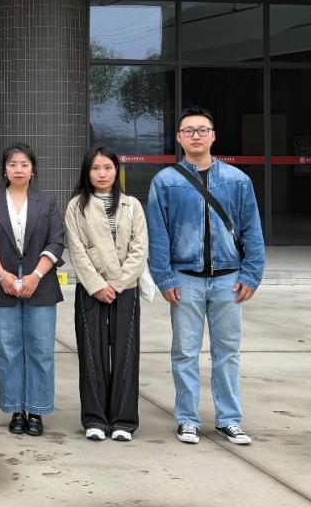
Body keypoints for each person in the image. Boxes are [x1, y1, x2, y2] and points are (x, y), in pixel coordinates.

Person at [147, 106, 266, 446]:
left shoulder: (238, 180)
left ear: (213, 136)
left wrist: (252, 274)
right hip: (184, 278)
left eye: (202, 130)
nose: (196, 135)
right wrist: (164, 277)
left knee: (227, 353)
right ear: (179, 138)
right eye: (189, 130)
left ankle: (229, 419)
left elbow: (252, 230)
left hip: (230, 279)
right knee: (185, 352)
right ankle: (187, 419)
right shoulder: (165, 182)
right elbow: (158, 235)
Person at [0, 142, 65, 437]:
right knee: (8, 350)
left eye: (24, 164)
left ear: (33, 169)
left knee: (41, 350)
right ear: (5, 169)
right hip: (2, 285)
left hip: (41, 285)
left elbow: (56, 241)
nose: (18, 170)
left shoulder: (47, 200)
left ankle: (37, 410)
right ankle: (15, 408)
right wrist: (2, 276)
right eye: (12, 164)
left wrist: (36, 275)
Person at [65, 145, 148, 442]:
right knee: (92, 352)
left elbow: (139, 248)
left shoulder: (132, 205)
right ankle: (95, 419)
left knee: (126, 351)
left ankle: (124, 420)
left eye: (108, 168)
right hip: (91, 289)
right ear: (87, 172)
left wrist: (120, 283)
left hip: (126, 289)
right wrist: (98, 285)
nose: (102, 173)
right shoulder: (76, 206)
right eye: (96, 168)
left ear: (116, 171)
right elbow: (76, 249)